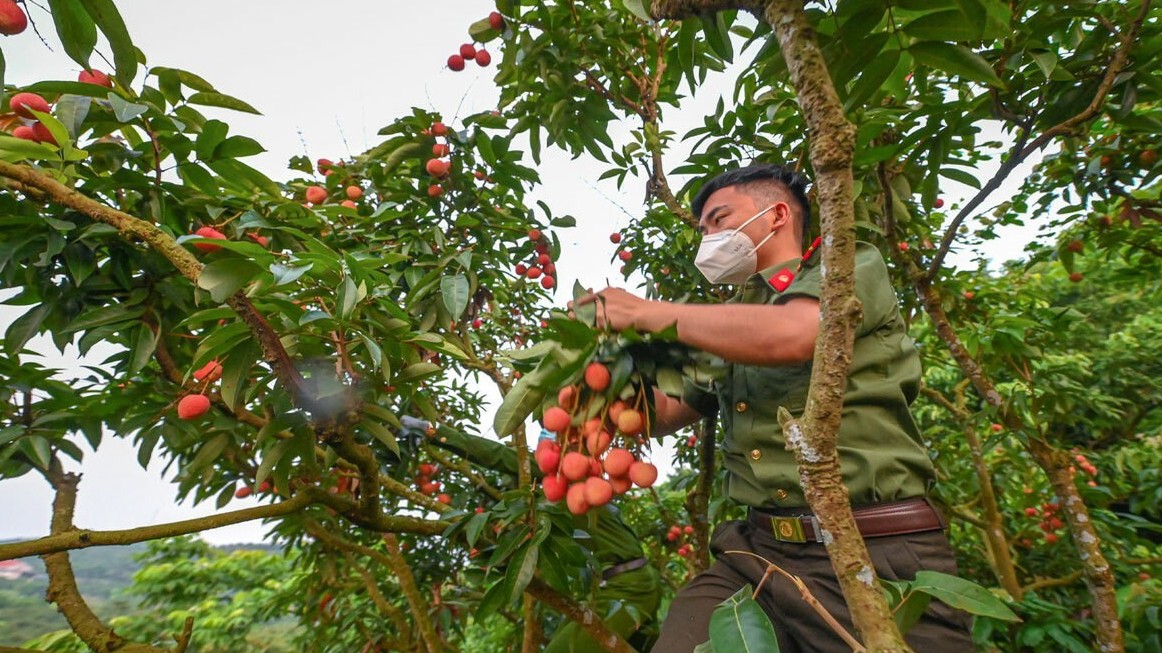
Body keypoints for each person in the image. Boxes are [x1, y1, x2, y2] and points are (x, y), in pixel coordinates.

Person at [575, 164, 973, 652]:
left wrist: (644, 312)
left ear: (777, 214)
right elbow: (666, 414)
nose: (709, 237)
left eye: (719, 219)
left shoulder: (847, 264)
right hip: (759, 553)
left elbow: (796, 334)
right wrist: (598, 381)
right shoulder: (729, 321)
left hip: (877, 548)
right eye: (703, 230)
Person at [399, 417, 661, 652]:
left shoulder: (568, 473)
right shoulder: (577, 478)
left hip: (629, 587)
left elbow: (494, 454)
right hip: (626, 583)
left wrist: (434, 432)